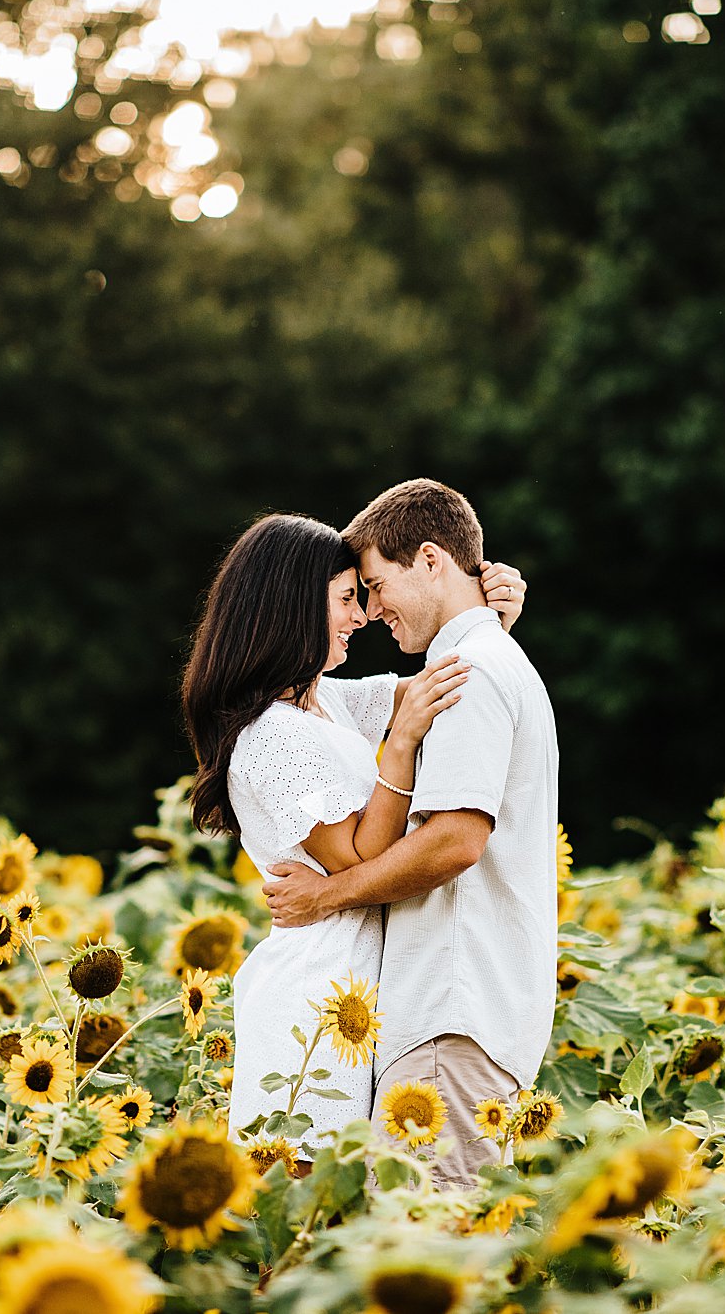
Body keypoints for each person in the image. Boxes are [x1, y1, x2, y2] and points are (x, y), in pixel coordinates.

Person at [179, 512, 526, 1159]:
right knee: (303, 1220)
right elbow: (362, 855)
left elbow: (436, 685)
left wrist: (484, 614)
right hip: (313, 1000)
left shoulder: (325, 702)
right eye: (345, 598)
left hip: (358, 997)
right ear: (290, 607)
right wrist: (398, 747)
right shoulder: (272, 735)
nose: (362, 615)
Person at [264, 479, 559, 1189]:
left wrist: (327, 895)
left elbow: (455, 840)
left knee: (430, 1251)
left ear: (431, 560)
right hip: (462, 1017)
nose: (370, 610)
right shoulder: (479, 661)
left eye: (375, 585)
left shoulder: (470, 673)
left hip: (448, 1017)